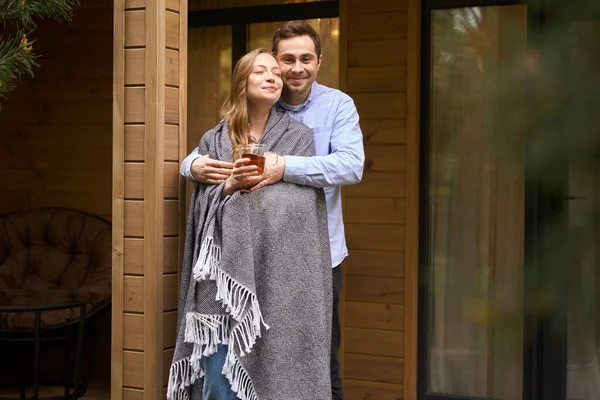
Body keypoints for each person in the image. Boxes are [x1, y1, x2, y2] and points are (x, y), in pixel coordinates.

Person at [180, 21, 364, 399]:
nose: (296, 69)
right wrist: (191, 166)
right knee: (243, 360)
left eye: (306, 59)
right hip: (238, 263)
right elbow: (212, 153)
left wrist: (284, 167)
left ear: (319, 61)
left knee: (318, 357)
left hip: (315, 255)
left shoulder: (333, 108)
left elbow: (350, 165)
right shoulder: (249, 114)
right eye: (286, 61)